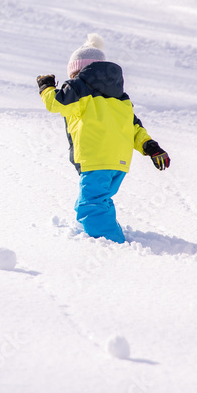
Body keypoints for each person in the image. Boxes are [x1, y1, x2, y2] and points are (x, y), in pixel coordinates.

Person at [37, 34, 170, 243]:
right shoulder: (121, 98)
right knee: (97, 200)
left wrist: (46, 87)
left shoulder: (79, 88)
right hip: (119, 162)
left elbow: (57, 103)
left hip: (96, 159)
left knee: (90, 204)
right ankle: (100, 232)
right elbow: (135, 128)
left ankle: (109, 242)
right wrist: (151, 147)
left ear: (78, 70)